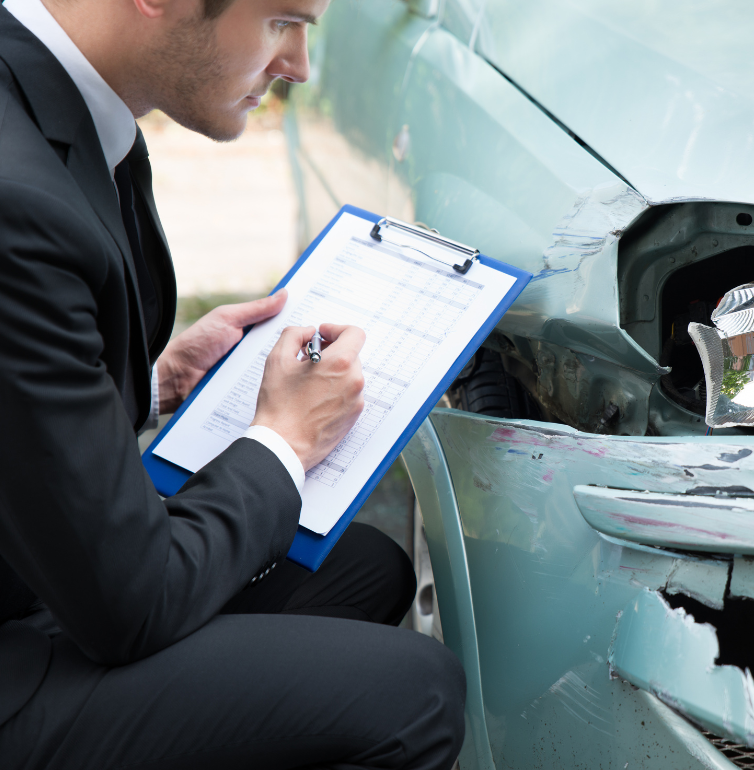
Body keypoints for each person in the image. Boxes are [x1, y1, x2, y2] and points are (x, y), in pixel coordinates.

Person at [0, 0, 466, 767]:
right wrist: (283, 440)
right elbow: (129, 609)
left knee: (361, 570)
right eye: (283, 20)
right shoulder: (18, 199)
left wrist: (155, 385)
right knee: (416, 694)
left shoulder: (55, 102)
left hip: (33, 574)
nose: (298, 67)